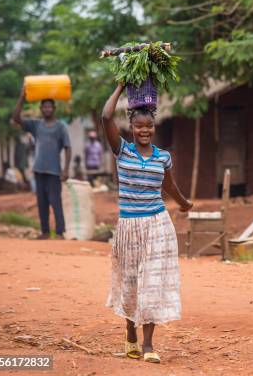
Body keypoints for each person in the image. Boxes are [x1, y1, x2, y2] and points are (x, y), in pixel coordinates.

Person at [101, 83, 192, 364]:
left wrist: (184, 202)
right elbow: (106, 117)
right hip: (129, 227)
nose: (144, 131)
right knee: (130, 285)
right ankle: (131, 336)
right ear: (130, 125)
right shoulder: (122, 151)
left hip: (157, 225)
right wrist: (120, 86)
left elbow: (169, 185)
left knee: (151, 283)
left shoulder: (162, 157)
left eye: (149, 127)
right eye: (139, 126)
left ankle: (148, 345)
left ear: (154, 127)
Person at [13, 86, 71, 239]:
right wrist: (21, 97)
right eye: (44, 107)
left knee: (55, 202)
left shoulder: (60, 127)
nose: (46, 109)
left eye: (49, 106)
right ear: (41, 109)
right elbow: (16, 119)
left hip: (54, 171)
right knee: (42, 202)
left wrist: (65, 170)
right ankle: (44, 232)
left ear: (54, 108)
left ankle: (60, 232)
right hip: (38, 170)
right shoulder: (36, 125)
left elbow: (68, 147)